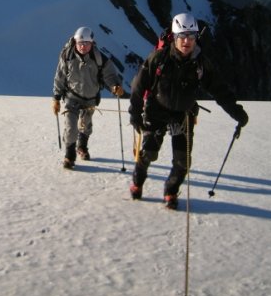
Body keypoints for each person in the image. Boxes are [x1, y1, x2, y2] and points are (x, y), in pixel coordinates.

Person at [128, 13, 248, 209]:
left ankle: (171, 192)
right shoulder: (159, 58)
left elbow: (219, 89)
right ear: (174, 37)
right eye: (182, 37)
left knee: (183, 161)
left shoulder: (200, 64)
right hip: (156, 110)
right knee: (148, 153)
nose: (186, 41)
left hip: (183, 114)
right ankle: (137, 182)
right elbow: (138, 86)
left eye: (191, 37)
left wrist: (237, 112)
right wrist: (135, 114)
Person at [52, 27, 125, 169]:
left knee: (85, 125)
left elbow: (109, 75)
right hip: (71, 97)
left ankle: (82, 146)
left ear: (92, 43)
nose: (83, 46)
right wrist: (56, 98)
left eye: (86, 43)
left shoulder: (99, 59)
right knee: (71, 127)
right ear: (75, 42)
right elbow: (60, 77)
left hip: (90, 99)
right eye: (80, 43)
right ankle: (69, 155)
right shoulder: (67, 56)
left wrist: (114, 85)